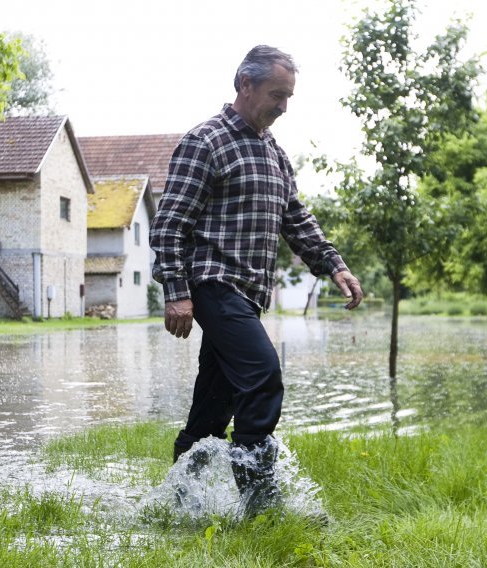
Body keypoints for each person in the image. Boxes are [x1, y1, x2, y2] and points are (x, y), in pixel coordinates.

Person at [149, 45, 364, 516]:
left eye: (289, 97)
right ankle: (260, 505)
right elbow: (169, 224)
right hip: (212, 283)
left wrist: (335, 265)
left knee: (214, 402)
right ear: (244, 85)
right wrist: (178, 294)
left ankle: (178, 498)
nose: (284, 106)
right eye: (276, 94)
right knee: (263, 377)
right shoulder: (205, 141)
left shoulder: (274, 153)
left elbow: (296, 219)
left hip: (249, 294)